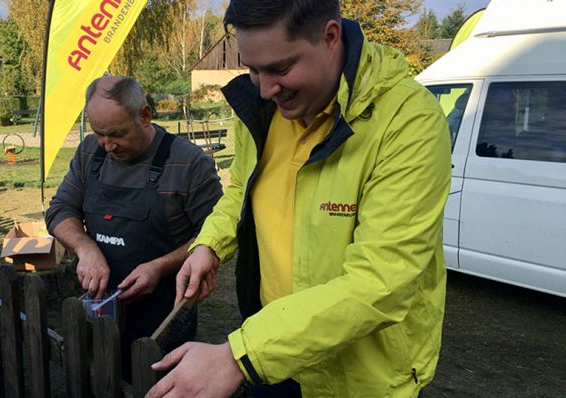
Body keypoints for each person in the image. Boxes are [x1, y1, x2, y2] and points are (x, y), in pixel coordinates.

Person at [146, 1, 452, 397]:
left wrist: (240, 356)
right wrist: (209, 245)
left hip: (360, 378)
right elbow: (242, 189)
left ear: (329, 37)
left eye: (280, 68)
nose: (265, 88)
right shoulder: (265, 109)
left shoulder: (409, 122)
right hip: (274, 356)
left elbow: (381, 282)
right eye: (252, 69)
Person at [45, 76, 223, 376]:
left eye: (117, 134)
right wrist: (86, 249)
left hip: (164, 315)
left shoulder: (190, 163)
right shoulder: (90, 153)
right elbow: (59, 211)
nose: (108, 144)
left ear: (145, 115)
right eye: (99, 133)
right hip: (100, 311)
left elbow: (215, 237)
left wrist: (160, 267)